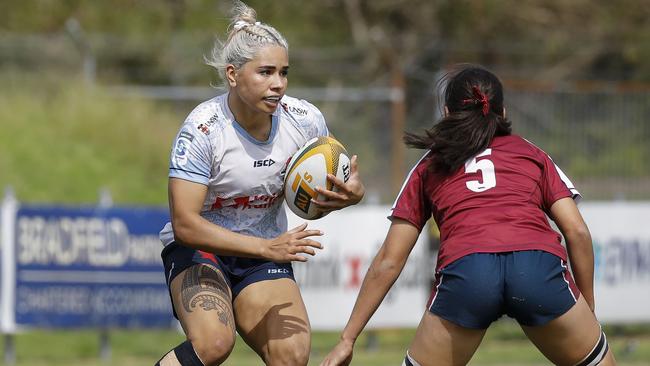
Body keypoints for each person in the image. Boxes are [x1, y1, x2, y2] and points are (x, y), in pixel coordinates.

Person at [321, 64, 616, 366]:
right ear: (502, 113)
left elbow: (390, 260)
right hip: (536, 267)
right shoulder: (531, 153)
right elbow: (577, 231)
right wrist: (586, 307)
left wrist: (348, 338)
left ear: (447, 113)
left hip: (469, 273)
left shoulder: (429, 165)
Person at [154, 2, 365, 365]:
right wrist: (267, 248)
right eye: (265, 72)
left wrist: (350, 194)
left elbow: (332, 179)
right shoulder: (203, 129)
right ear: (233, 74)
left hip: (263, 254)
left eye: (284, 72)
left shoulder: (305, 119)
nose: (278, 84)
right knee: (214, 343)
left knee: (292, 354)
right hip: (200, 250)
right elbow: (185, 224)